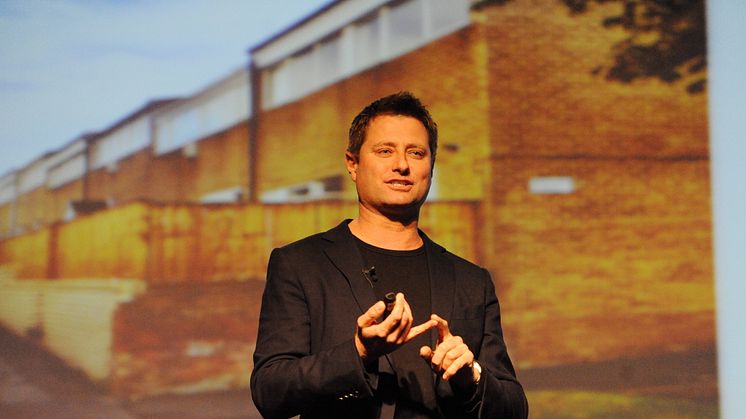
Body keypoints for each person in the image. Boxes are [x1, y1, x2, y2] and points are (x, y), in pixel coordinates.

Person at [251, 92, 528, 418]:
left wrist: (472, 377)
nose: (402, 165)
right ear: (352, 164)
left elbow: (514, 408)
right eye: (385, 151)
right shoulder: (300, 264)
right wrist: (359, 352)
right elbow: (270, 391)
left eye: (416, 153)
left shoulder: (471, 280)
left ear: (431, 166)